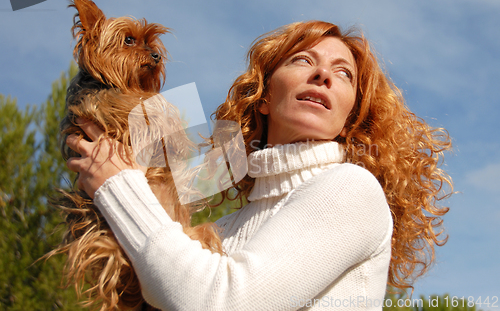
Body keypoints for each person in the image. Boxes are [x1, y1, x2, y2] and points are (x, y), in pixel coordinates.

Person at [66, 20, 452, 310]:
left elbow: (218, 300)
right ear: (264, 96)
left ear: (349, 118)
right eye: (303, 60)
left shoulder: (351, 189)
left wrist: (117, 185)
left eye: (343, 73)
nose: (322, 75)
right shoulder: (226, 224)